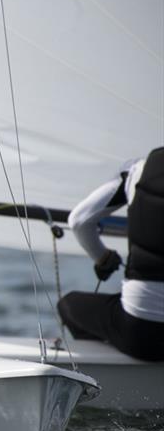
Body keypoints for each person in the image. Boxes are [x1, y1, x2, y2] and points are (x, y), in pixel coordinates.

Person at [57, 147, 164, 361]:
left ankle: (101, 384)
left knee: (68, 305)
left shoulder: (138, 169)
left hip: (139, 332)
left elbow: (78, 221)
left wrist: (103, 258)